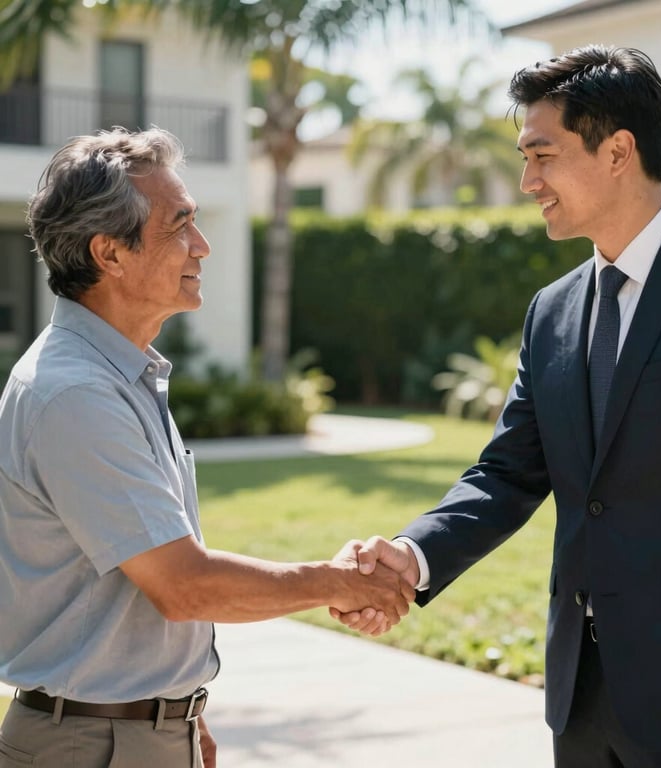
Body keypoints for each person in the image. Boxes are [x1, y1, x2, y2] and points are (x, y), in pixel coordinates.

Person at [333, 44, 661, 768]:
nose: (527, 180)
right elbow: (508, 473)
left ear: (618, 151)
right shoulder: (552, 310)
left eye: (542, 155)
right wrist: (411, 557)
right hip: (579, 698)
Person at [0, 127, 413, 768]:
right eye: (179, 225)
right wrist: (337, 582)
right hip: (93, 746)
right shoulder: (75, 393)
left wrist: (179, 716)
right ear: (109, 253)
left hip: (128, 735)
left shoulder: (115, 375)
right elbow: (182, 585)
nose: (203, 245)